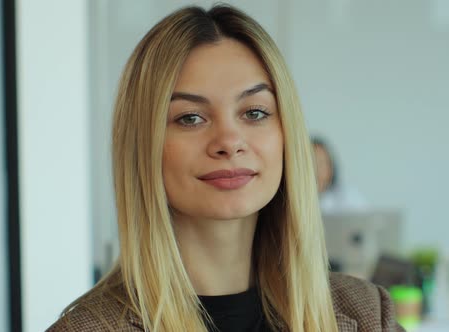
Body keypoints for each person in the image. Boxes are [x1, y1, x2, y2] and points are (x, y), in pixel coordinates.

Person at [47, 5, 403, 332]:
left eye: (255, 112)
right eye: (190, 117)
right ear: (144, 147)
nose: (230, 141)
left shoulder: (367, 313)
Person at [312, 137, 369, 215]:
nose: (317, 170)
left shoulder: (349, 196)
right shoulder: (294, 200)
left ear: (331, 168)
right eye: (312, 163)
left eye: (321, 163)